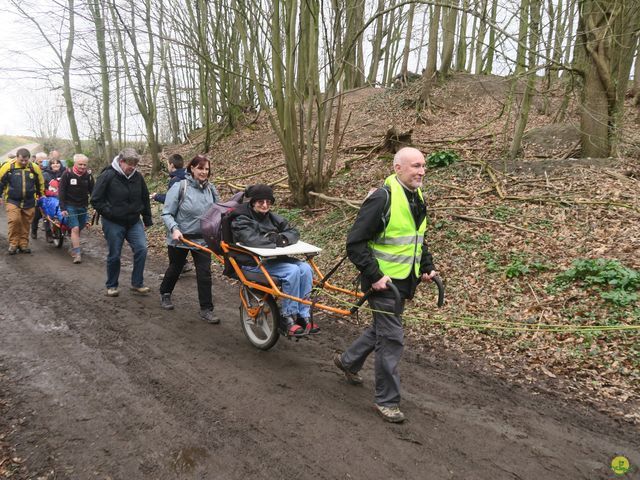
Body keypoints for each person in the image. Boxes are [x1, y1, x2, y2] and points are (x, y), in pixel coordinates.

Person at [333, 147, 438, 424]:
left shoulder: (417, 197)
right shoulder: (382, 198)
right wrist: (376, 275)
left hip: (403, 282)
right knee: (391, 339)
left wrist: (426, 266)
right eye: (415, 166)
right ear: (398, 168)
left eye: (423, 166)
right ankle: (387, 401)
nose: (421, 171)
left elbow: (417, 238)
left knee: (381, 329)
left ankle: (347, 361)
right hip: (381, 283)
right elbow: (355, 244)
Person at [229, 184, 318, 337]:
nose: (265, 205)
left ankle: (303, 316)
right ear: (252, 202)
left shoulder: (272, 217)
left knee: (305, 268)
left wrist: (283, 238)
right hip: (251, 264)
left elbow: (293, 231)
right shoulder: (241, 218)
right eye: (260, 202)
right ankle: (287, 317)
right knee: (293, 271)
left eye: (268, 202)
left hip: (271, 261)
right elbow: (250, 239)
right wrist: (275, 240)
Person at [159, 154, 221, 323]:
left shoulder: (211, 189)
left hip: (202, 240)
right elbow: (167, 213)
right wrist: (174, 229)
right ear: (192, 168)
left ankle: (206, 309)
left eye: (207, 169)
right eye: (200, 168)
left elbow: (219, 212)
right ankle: (165, 292)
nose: (204, 172)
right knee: (176, 267)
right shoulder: (180, 187)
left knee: (204, 273)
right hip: (181, 238)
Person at [91, 148, 152, 297]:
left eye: (135, 164)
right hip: (113, 222)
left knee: (141, 249)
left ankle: (137, 283)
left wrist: (147, 218)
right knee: (115, 254)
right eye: (130, 163)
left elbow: (144, 197)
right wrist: (110, 212)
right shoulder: (107, 175)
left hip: (133, 221)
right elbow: (95, 200)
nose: (132, 167)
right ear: (121, 161)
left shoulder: (137, 177)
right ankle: (112, 285)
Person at [151, 153, 193, 274]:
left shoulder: (175, 180)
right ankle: (183, 264)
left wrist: (156, 196)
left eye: (168, 164)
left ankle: (174, 271)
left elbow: (170, 200)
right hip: (189, 215)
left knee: (173, 242)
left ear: (172, 165)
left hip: (177, 216)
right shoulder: (189, 176)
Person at [0, 148, 45, 254]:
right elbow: (0, 182)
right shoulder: (8, 166)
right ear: (17, 157)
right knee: (15, 220)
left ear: (29, 158)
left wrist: (41, 195)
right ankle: (13, 244)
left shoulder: (34, 168)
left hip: (29, 200)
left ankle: (23, 244)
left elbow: (40, 182)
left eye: (26, 160)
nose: (24, 162)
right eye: (22, 160)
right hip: (12, 199)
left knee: (26, 223)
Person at [59, 153, 94, 264]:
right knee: (75, 228)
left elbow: (93, 191)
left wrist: (96, 205)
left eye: (84, 164)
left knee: (80, 227)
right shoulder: (67, 174)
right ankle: (77, 253)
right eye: (80, 164)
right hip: (70, 205)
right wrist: (63, 207)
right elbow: (62, 192)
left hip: (83, 206)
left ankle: (73, 244)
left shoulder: (88, 175)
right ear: (75, 163)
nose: (83, 167)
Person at [30, 152, 50, 240]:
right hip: (36, 196)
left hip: (47, 196)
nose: (42, 163)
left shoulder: (50, 169)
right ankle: (33, 230)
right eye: (40, 161)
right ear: (36, 161)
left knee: (47, 216)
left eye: (44, 161)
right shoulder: (31, 169)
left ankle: (49, 235)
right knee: (36, 216)